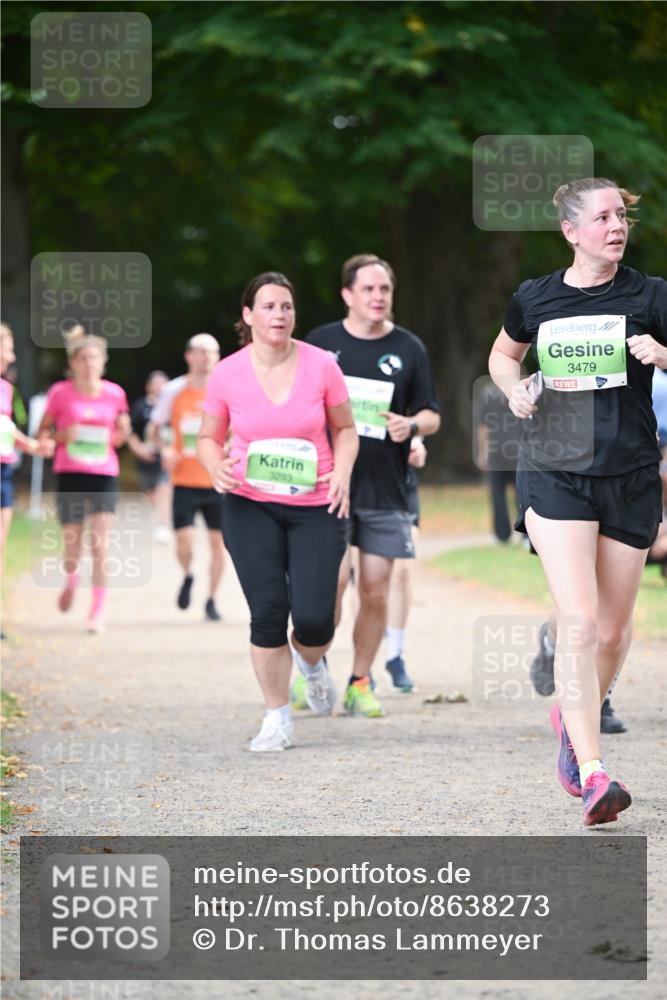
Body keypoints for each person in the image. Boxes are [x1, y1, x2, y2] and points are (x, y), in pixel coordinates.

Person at [489, 177, 666, 826]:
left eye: (621, 216)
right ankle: (592, 773)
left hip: (629, 474)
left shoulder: (651, 296)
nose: (615, 226)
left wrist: (663, 355)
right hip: (554, 470)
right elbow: (502, 357)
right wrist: (513, 390)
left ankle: (572, 720)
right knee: (580, 621)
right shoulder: (534, 298)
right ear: (569, 231)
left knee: (616, 630)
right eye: (601, 217)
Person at [197, 272, 358, 752]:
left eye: (286, 306)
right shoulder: (226, 372)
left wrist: (343, 472)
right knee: (267, 612)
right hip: (249, 503)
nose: (279, 315)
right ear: (248, 316)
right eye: (268, 307)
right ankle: (277, 716)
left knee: (314, 621)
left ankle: (312, 663)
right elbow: (208, 436)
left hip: (315, 504)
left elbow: (345, 429)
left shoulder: (321, 365)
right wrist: (214, 467)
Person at [306, 254, 441, 716]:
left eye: (384, 289)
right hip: (331, 486)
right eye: (368, 289)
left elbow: (431, 414)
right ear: (348, 295)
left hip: (387, 488)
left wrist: (411, 426)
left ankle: (360, 680)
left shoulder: (409, 347)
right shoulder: (321, 345)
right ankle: (315, 669)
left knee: (377, 589)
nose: (378, 297)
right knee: (331, 585)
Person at [37, 327, 130, 633]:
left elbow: (121, 429)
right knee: (72, 544)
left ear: (103, 362)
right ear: (73, 362)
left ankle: (97, 610)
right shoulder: (60, 393)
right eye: (84, 358)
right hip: (70, 472)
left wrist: (122, 432)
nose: (90, 364)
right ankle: (71, 579)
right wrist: (64, 435)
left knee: (100, 545)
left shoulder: (115, 393)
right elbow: (43, 434)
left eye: (95, 358)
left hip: (103, 474)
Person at [149, 335, 225, 620]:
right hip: (184, 479)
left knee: (219, 544)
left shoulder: (225, 389)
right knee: (184, 544)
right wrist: (165, 447)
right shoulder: (173, 391)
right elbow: (155, 428)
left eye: (212, 352)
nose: (206, 357)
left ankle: (212, 600)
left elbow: (238, 426)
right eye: (201, 352)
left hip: (216, 480)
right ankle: (188, 574)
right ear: (189, 356)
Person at [1, 324, 55, 638]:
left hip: (3, 471)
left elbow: (5, 427)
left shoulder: (6, 389)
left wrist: (33, 446)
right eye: (6, 348)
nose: (10, 356)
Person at [384, 436, 427, 691]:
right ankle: (363, 667)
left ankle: (394, 655)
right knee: (366, 580)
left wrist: (418, 441)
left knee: (401, 572)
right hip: (360, 481)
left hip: (402, 480)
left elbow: (422, 412)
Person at [128, 371, 171, 544]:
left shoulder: (173, 405)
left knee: (164, 488)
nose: (159, 386)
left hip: (166, 456)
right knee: (152, 493)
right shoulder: (141, 406)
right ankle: (161, 517)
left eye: (163, 383)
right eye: (156, 383)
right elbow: (131, 433)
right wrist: (138, 450)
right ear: (149, 386)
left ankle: (163, 524)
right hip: (146, 457)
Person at [476, 380, 521, 542]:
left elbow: (483, 426)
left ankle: (502, 535)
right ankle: (525, 534)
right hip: (518, 449)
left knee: (497, 494)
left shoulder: (487, 392)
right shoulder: (522, 391)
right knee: (522, 493)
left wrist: (483, 452)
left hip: (496, 449)